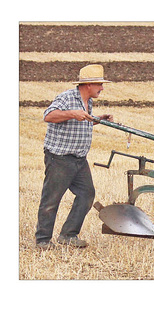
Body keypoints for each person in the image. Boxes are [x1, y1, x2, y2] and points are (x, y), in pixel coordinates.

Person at [35, 64, 114, 249]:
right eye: (99, 85)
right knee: (51, 200)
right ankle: (43, 240)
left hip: (79, 159)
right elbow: (48, 115)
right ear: (88, 85)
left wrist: (99, 119)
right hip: (60, 158)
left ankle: (68, 235)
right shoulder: (67, 98)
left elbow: (82, 123)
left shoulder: (88, 102)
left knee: (87, 194)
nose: (102, 88)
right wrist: (71, 113)